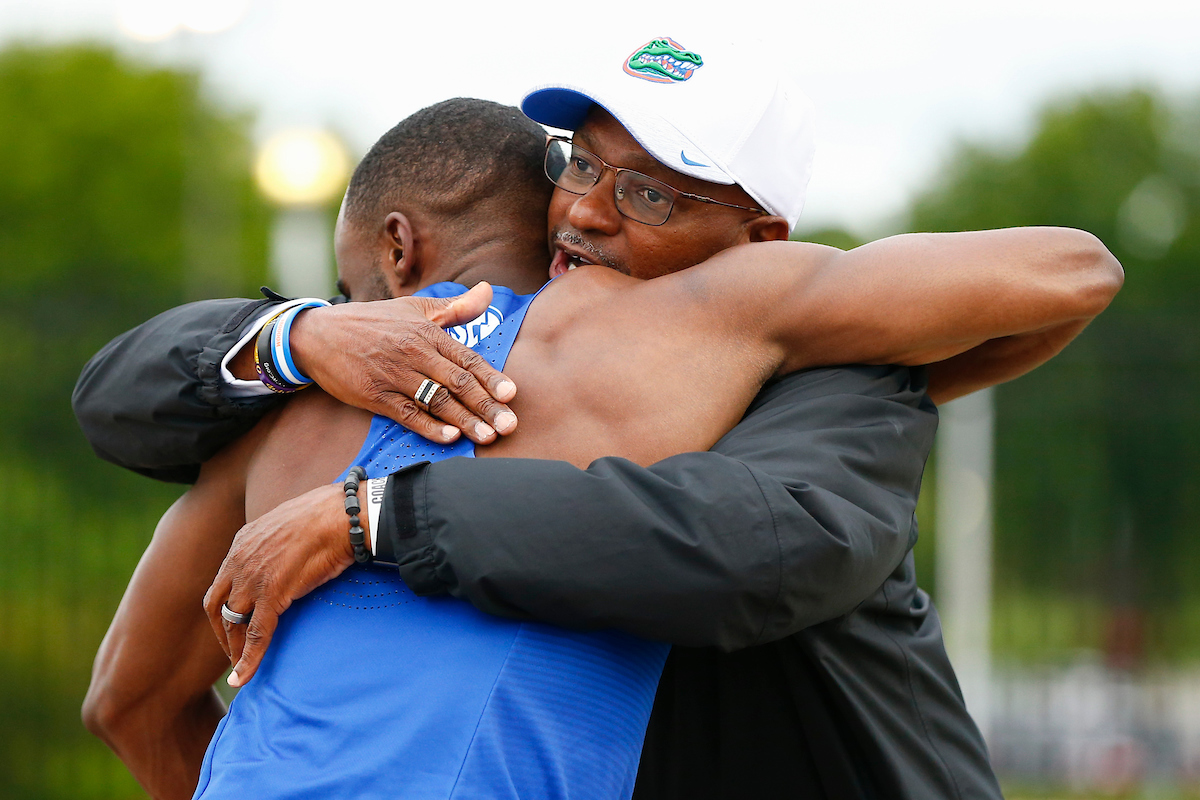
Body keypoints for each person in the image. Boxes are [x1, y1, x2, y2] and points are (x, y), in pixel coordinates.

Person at [76, 36, 1123, 800]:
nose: (583, 210)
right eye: (578, 161)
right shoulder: (335, 363)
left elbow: (125, 700)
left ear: (759, 237)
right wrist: (303, 336)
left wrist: (367, 505)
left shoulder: (725, 320)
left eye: (651, 195)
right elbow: (1075, 270)